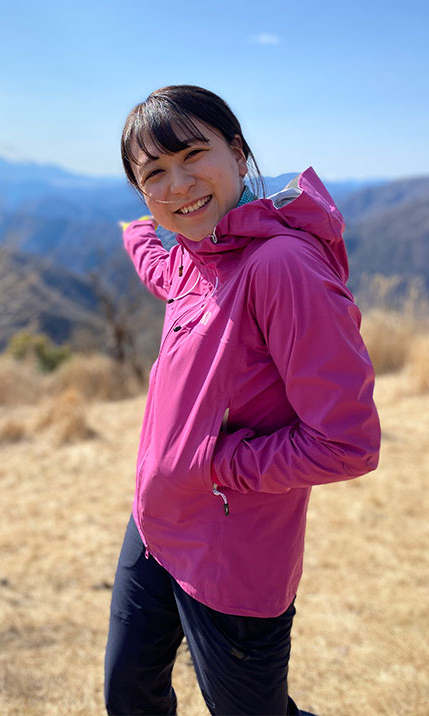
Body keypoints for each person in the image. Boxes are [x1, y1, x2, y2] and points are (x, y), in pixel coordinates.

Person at [104, 85, 380, 716]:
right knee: (131, 697)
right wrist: (136, 232)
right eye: (153, 175)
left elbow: (348, 444)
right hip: (156, 523)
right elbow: (162, 269)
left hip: (234, 552)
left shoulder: (280, 265)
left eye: (194, 155)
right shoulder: (200, 254)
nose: (178, 186)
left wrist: (213, 467)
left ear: (237, 151)